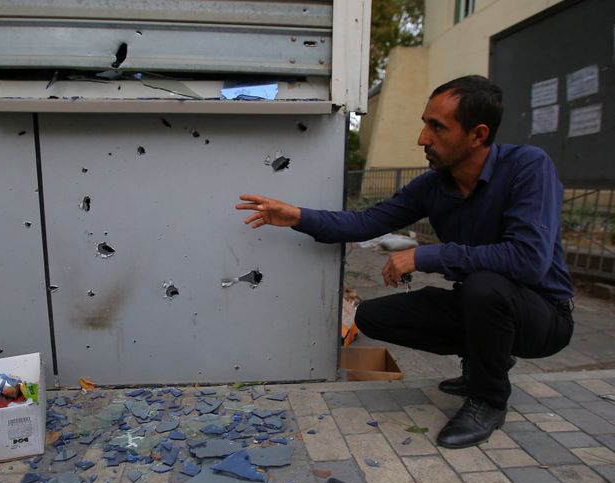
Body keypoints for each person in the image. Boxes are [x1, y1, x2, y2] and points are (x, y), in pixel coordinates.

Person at [235, 75, 574, 449]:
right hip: (485, 306)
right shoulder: (433, 185)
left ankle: (488, 399)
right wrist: (297, 216)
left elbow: (528, 260)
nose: (422, 139)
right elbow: (366, 223)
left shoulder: (528, 167)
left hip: (545, 315)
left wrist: (425, 255)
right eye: (424, 123)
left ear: (477, 135)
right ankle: (482, 361)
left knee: (483, 286)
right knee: (371, 317)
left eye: (437, 127)